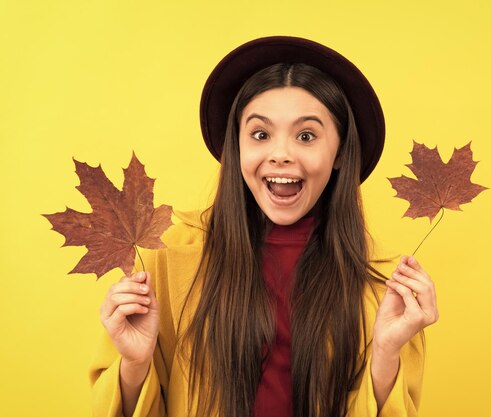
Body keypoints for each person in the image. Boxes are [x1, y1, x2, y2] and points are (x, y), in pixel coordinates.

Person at [89, 35, 439, 417]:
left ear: (339, 152)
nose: (281, 155)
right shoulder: (165, 258)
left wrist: (386, 353)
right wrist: (135, 365)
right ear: (237, 147)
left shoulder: (384, 287)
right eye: (260, 134)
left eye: (306, 136)